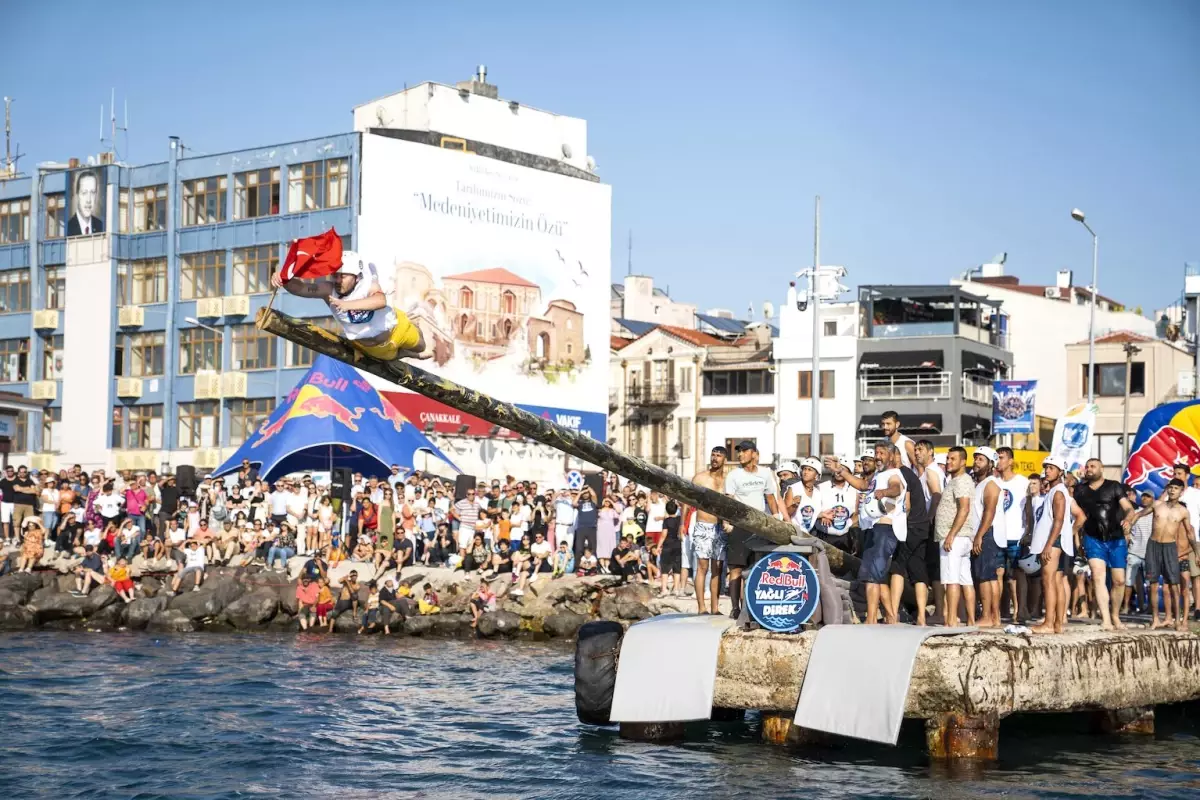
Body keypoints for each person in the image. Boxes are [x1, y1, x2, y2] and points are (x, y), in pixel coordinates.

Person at [272, 249, 432, 361]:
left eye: (343, 276)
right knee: (395, 356)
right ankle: (405, 354)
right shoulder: (328, 290)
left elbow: (380, 301)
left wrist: (348, 305)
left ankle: (414, 331)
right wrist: (283, 278)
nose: (338, 280)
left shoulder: (368, 283)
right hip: (373, 348)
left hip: (397, 329)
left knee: (421, 347)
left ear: (356, 277)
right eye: (335, 276)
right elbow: (300, 288)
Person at [832, 442, 907, 624]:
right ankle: (891, 616)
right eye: (876, 453)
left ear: (891, 455)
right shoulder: (878, 476)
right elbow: (863, 485)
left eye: (881, 453)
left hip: (885, 529)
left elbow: (896, 488)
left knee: (872, 576)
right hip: (874, 530)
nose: (877, 456)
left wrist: (885, 492)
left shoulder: (893, 474)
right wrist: (842, 471)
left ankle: (872, 618)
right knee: (876, 576)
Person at [1073, 458, 1137, 630]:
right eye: (1087, 467)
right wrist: (1077, 538)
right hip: (1092, 538)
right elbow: (1076, 515)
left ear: (1102, 468)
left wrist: (1129, 519)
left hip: (1116, 538)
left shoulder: (1114, 486)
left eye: (1093, 466)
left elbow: (1128, 508)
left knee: (1119, 581)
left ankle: (1115, 615)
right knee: (1098, 576)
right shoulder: (1080, 490)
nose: (1089, 469)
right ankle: (1106, 620)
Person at [724, 440, 781, 620]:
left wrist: (777, 519)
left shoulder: (765, 473)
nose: (740, 454)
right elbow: (728, 501)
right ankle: (735, 608)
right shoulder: (733, 475)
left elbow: (771, 498)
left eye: (744, 451)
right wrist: (727, 522)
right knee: (736, 569)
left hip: (759, 527)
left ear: (754, 454)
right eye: (738, 451)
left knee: (757, 568)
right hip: (739, 526)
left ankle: (751, 608)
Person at [1140, 480, 1193, 630]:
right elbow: (1140, 514)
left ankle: (1178, 620)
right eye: (1170, 488)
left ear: (1181, 491)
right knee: (1153, 584)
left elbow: (1190, 533)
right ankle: (1155, 618)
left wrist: (1196, 553)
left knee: (1175, 585)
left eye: (1176, 488)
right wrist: (1129, 521)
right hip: (1153, 545)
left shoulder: (1183, 511)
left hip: (1170, 547)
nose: (1172, 491)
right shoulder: (1157, 505)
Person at [936, 447, 977, 627]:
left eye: (953, 459)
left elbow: (964, 508)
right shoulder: (957, 481)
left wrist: (951, 535)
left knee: (950, 579)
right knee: (965, 579)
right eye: (947, 459)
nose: (948, 462)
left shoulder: (960, 481)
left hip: (955, 537)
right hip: (962, 537)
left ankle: (951, 619)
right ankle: (971, 620)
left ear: (963, 462)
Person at [1031, 457, 1071, 635]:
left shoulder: (1059, 493)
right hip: (1053, 541)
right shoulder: (1054, 490)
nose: (1047, 471)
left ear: (1060, 472)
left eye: (1051, 468)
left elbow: (1059, 520)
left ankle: (1049, 623)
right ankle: (1057, 624)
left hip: (1053, 542)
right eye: (1046, 467)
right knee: (1055, 582)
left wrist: (1047, 545)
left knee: (1048, 581)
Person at [970, 447, 1006, 628]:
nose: (976, 462)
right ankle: (994, 617)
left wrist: (979, 536)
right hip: (984, 533)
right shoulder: (980, 484)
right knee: (989, 577)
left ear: (990, 464)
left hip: (987, 534)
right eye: (975, 458)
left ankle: (986, 616)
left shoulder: (990, 484)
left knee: (984, 576)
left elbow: (989, 513)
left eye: (981, 459)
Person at [690, 446, 729, 614]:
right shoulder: (700, 478)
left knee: (717, 568)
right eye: (713, 455)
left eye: (718, 456)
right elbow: (686, 501)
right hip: (703, 525)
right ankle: (701, 607)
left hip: (720, 527)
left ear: (724, 459)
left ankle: (715, 607)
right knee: (702, 566)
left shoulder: (728, 479)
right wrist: (681, 525)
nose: (714, 458)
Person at [995, 447, 1030, 622]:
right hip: (997, 535)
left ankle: (1019, 610)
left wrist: (1028, 531)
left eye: (1001, 458)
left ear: (1010, 461)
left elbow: (1029, 509)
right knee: (998, 573)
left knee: (1017, 574)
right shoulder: (993, 482)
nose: (998, 461)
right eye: (996, 457)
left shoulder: (1022, 482)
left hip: (1017, 534)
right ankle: (997, 613)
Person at [1170, 463, 1200, 620]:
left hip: (1194, 539)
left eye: (1180, 473)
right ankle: (1182, 608)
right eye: (1175, 473)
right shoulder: (1172, 493)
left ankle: (1198, 609)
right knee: (1178, 577)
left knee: (1195, 576)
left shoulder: (1196, 494)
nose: (1177, 476)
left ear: (1187, 475)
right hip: (1173, 541)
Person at [1123, 491, 1154, 615]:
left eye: (1148, 496)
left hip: (1150, 553)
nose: (1145, 498)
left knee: (1150, 583)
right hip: (1134, 552)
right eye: (1143, 496)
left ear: (1153, 499)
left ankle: (1151, 608)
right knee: (1129, 582)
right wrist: (1127, 536)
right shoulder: (1135, 513)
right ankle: (1126, 607)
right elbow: (1126, 528)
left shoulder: (1155, 514)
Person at [658, 500, 683, 595]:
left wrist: (658, 546)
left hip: (667, 546)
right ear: (676, 509)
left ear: (666, 510)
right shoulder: (680, 519)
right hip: (677, 545)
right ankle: (676, 589)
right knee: (677, 568)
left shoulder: (666, 521)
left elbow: (664, 534)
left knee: (664, 569)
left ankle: (664, 589)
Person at [67, 170, 104, 236]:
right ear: (77, 195)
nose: (88, 200)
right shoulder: (68, 228)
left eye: (92, 192)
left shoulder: (101, 226)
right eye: (84, 193)